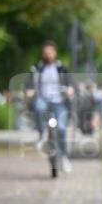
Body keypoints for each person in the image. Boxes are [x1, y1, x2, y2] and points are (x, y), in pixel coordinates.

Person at [29, 41, 73, 173]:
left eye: (50, 52)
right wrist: (29, 90)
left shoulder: (62, 68)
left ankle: (64, 157)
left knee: (62, 128)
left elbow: (70, 81)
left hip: (59, 102)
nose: (48, 54)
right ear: (43, 54)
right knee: (38, 107)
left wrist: (70, 89)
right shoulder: (38, 68)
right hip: (43, 100)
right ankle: (41, 133)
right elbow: (29, 82)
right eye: (46, 52)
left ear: (55, 53)